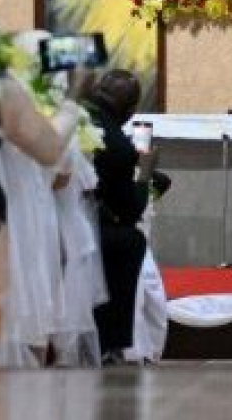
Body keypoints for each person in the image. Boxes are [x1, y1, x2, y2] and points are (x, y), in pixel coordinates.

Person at [87, 69, 153, 362]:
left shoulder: (81, 115)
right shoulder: (121, 146)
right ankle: (112, 342)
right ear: (130, 111)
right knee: (131, 239)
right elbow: (130, 210)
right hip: (94, 229)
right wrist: (147, 173)